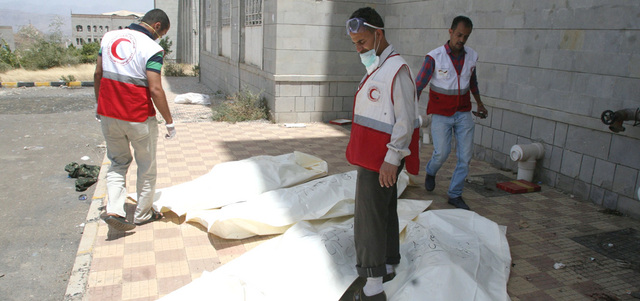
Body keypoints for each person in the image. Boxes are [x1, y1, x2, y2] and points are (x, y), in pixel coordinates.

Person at [345, 7, 420, 301]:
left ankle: (372, 288)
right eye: (354, 44)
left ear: (378, 34)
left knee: (368, 219)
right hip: (373, 156)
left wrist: (392, 158)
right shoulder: (378, 66)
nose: (358, 48)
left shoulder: (396, 70)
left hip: (381, 160)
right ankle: (388, 264)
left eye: (362, 42)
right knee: (385, 210)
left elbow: (405, 120)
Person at [94, 9, 176, 231]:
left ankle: (114, 210)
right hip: (138, 116)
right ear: (157, 26)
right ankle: (143, 214)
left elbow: (98, 74)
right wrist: (169, 121)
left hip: (109, 114)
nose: (160, 39)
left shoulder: (109, 37)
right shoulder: (152, 48)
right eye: (162, 34)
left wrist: (98, 105)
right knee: (146, 166)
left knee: (118, 163)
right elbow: (156, 88)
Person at [415, 15, 488, 211]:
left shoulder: (471, 56)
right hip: (441, 113)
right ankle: (431, 171)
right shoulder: (434, 57)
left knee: (465, 157)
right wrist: (408, 108)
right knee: (442, 152)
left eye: (466, 37)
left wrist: (479, 103)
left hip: (463, 113)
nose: (461, 40)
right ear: (450, 32)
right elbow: (419, 85)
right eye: (459, 35)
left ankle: (455, 194)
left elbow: (473, 82)